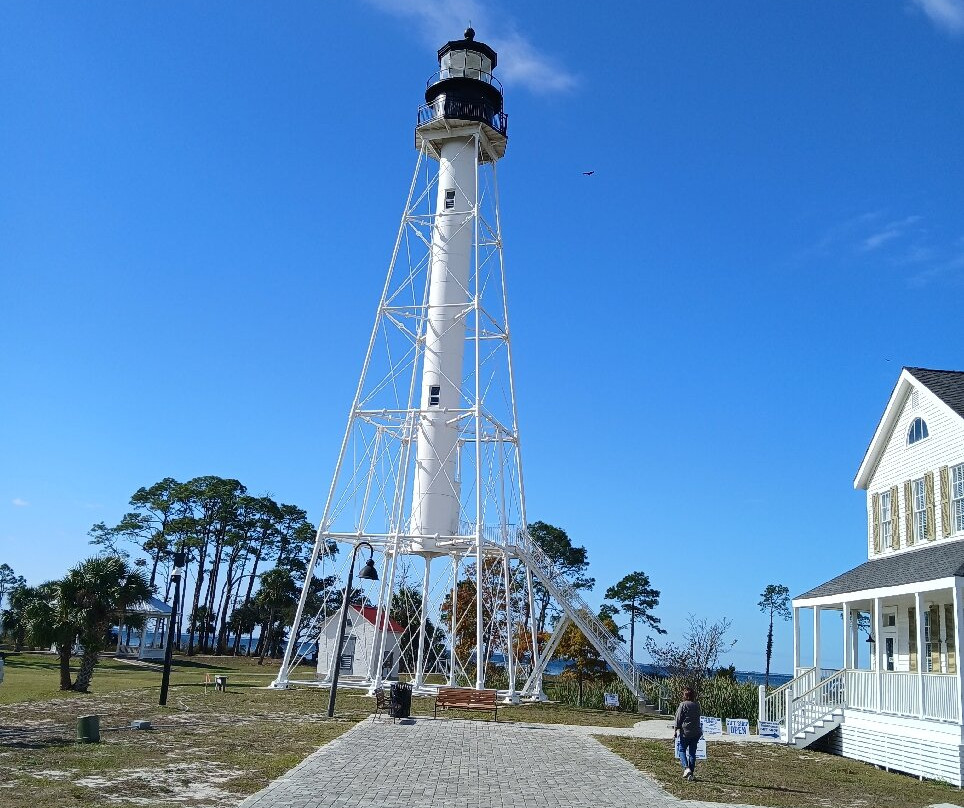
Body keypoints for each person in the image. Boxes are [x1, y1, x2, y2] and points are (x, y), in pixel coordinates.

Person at [674, 687, 702, 781]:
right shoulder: (697, 705)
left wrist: (676, 729)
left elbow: (678, 718)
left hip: (685, 732)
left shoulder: (683, 705)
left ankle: (686, 768)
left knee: (681, 750)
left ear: (685, 695)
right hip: (696, 732)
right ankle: (691, 773)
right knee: (692, 753)